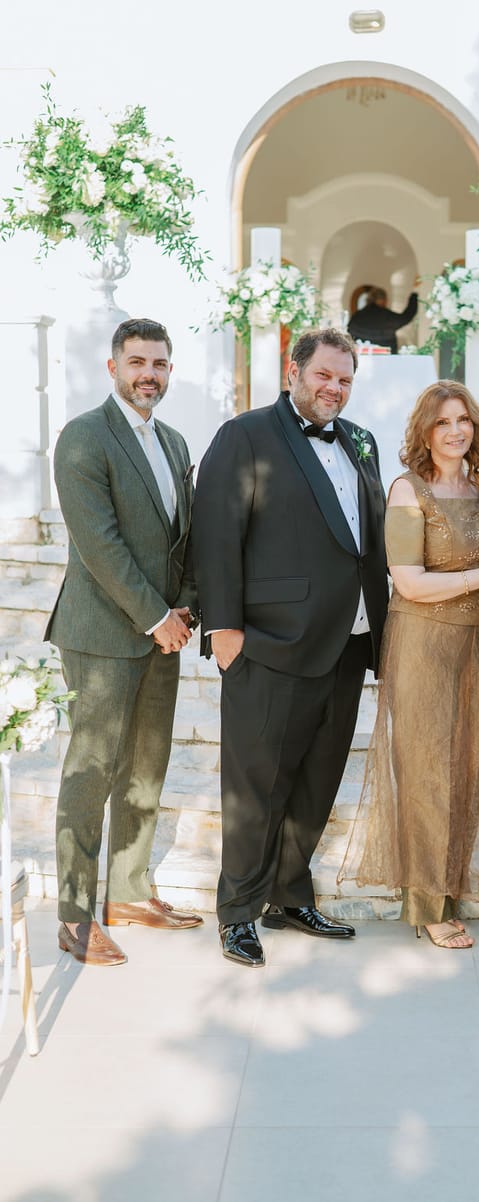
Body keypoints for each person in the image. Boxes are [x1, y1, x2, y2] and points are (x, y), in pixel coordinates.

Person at [192, 328, 389, 967]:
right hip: (269, 642)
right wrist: (223, 630)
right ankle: (238, 910)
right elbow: (216, 535)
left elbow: (368, 543)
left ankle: (288, 893)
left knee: (317, 779)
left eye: (345, 379)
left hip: (350, 642)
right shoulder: (244, 435)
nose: (334, 387)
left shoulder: (362, 442)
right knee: (256, 786)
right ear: (293, 371)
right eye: (324, 375)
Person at [339, 382, 479, 947]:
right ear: (424, 430)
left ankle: (448, 889)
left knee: (467, 764)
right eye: (443, 421)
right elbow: (409, 581)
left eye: (464, 420)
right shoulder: (407, 490)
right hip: (421, 640)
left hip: (472, 643)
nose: (456, 431)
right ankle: (425, 904)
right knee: (425, 768)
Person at [47, 318, 203, 968]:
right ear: (113, 367)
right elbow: (99, 544)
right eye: (138, 361)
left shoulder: (171, 440)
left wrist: (188, 604)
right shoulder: (84, 436)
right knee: (92, 771)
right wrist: (154, 615)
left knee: (145, 769)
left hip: (163, 631)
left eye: (160, 364)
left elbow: (184, 534)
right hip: (104, 634)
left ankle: (132, 893)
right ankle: (75, 916)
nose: (149, 374)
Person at [347, 286, 418, 353]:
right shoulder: (387, 316)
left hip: (362, 359)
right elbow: (406, 317)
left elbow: (350, 333)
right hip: (386, 360)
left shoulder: (357, 316)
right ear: (383, 300)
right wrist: (414, 294)